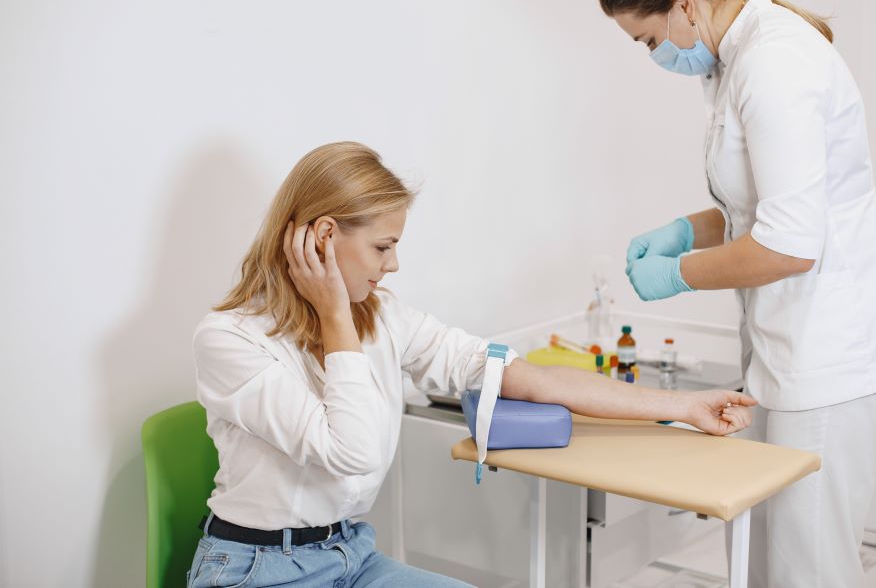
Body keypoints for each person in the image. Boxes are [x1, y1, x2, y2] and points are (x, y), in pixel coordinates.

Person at [187, 141, 756, 588]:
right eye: (383, 247)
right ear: (325, 237)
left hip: (350, 557)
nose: (394, 264)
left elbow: (533, 380)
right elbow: (350, 453)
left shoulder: (381, 317)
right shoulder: (230, 341)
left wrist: (684, 408)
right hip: (256, 571)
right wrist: (335, 316)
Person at [596, 0, 876, 587]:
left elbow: (789, 243)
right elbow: (760, 204)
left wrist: (678, 274)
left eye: (647, 39)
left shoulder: (776, 65)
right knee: (760, 547)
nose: (653, 54)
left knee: (806, 565)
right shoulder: (737, 57)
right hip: (794, 342)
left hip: (838, 351)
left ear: (683, 6)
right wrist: (685, 231)